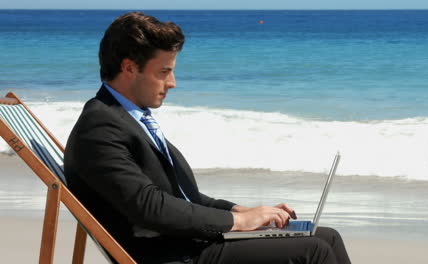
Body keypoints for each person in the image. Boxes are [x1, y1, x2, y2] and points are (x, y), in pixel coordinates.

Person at [64, 12, 351, 264]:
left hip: (186, 243)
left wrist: (242, 211)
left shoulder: (126, 119)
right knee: (313, 251)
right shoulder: (100, 127)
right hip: (171, 254)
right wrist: (238, 222)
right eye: (164, 72)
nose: (172, 83)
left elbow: (182, 196)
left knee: (328, 238)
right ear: (128, 68)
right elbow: (150, 207)